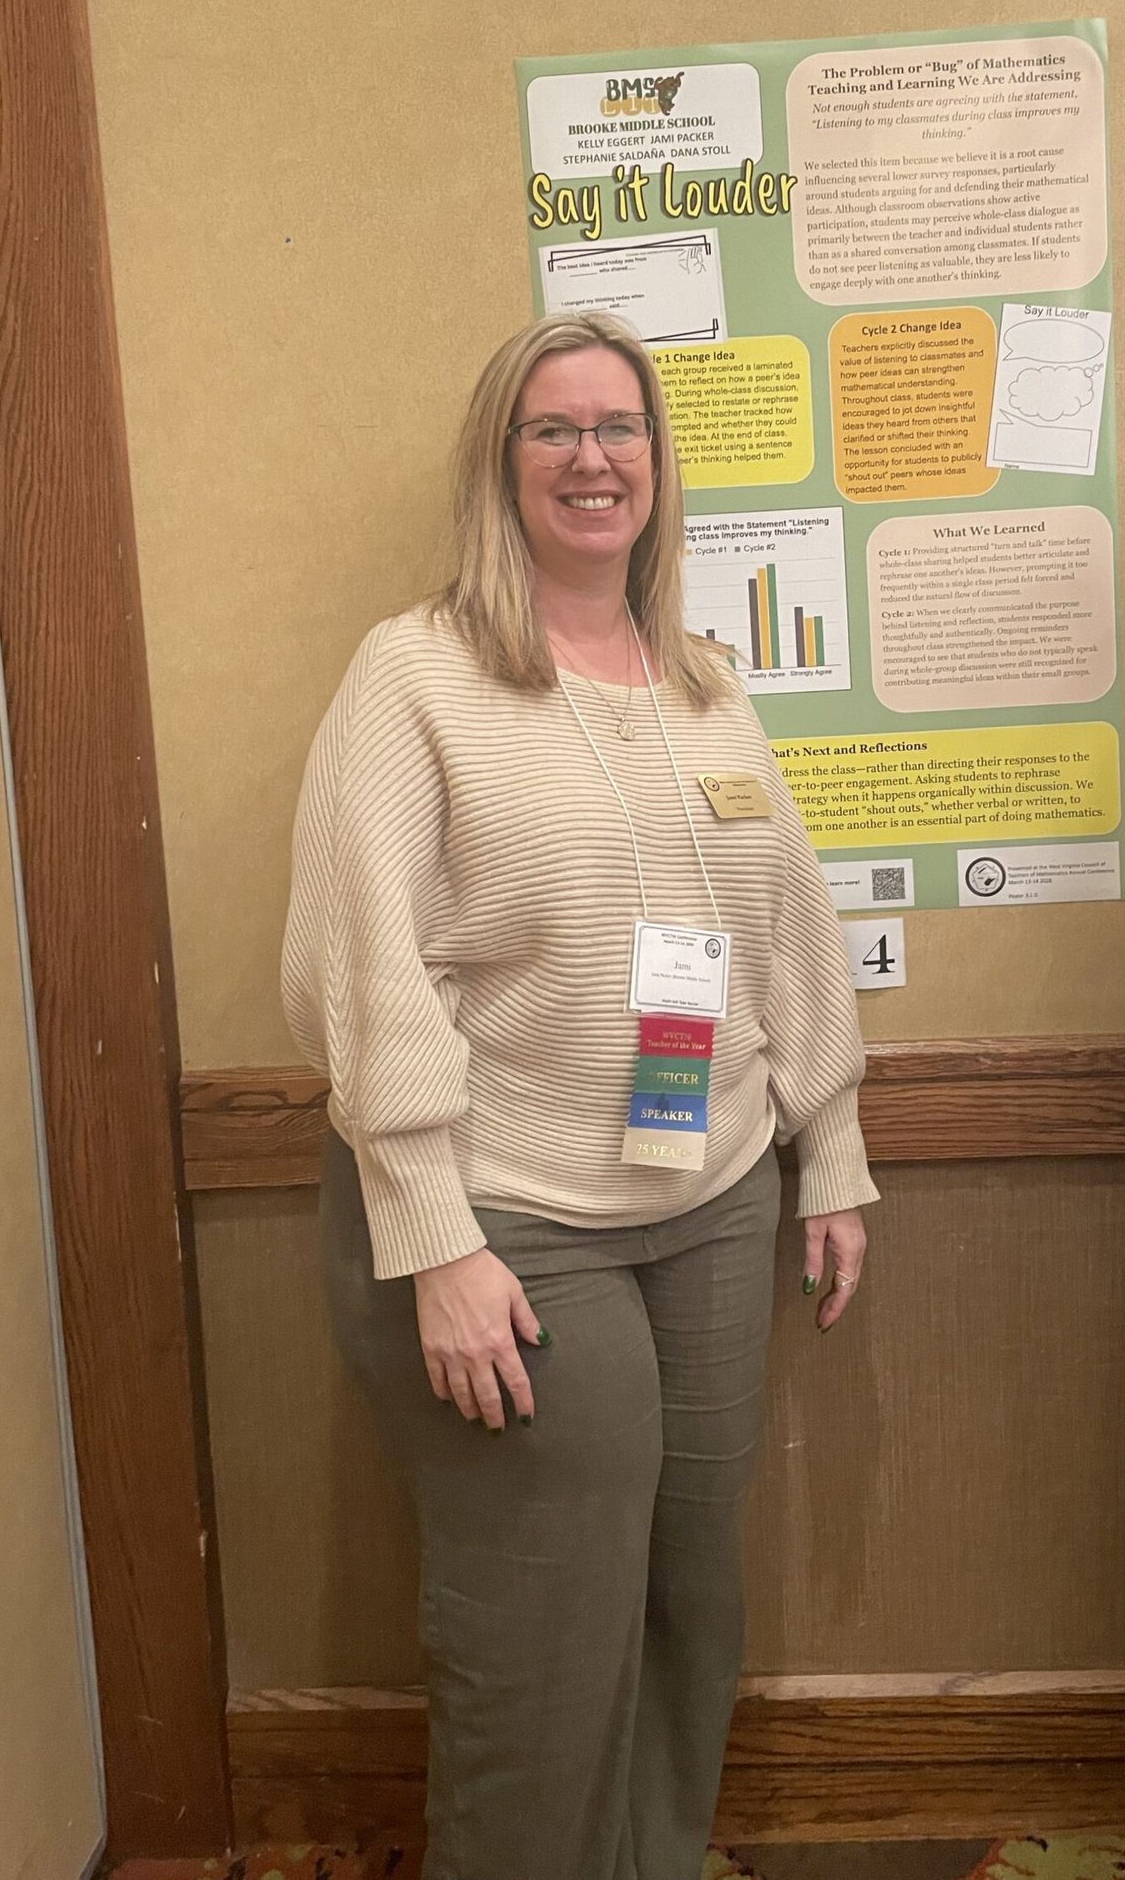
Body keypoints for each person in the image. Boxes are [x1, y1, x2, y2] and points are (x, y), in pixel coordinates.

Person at [281, 310, 877, 1880]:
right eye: (554, 427)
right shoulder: (417, 675)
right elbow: (357, 962)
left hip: (712, 1201)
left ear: (661, 465)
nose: (593, 456)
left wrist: (830, 1147)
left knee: (691, 1596)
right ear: (502, 462)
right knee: (541, 1636)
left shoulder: (704, 684)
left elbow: (786, 930)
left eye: (622, 427)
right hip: (508, 1218)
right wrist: (433, 1235)